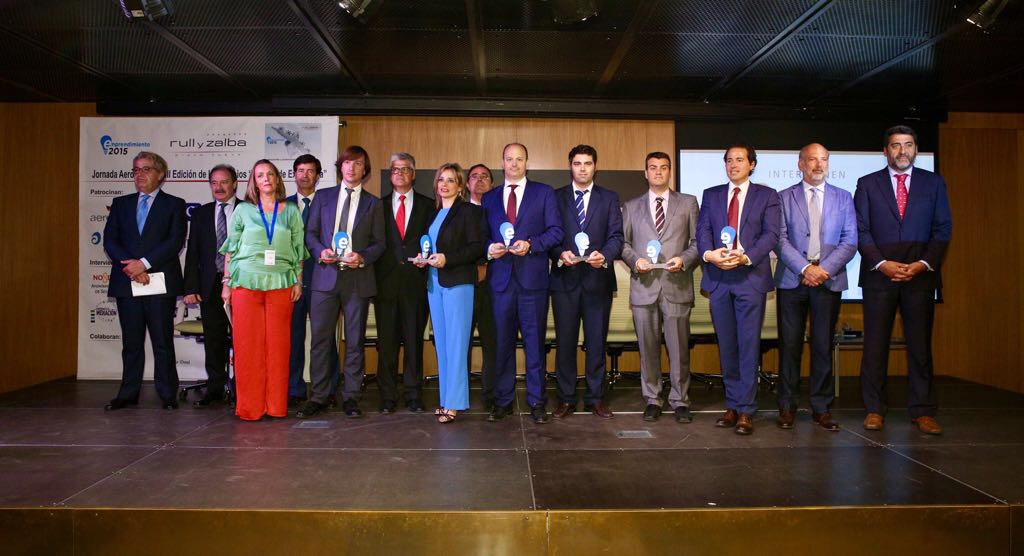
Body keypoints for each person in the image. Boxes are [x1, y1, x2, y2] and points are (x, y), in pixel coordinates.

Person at [856, 125, 952, 435]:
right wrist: (882, 263)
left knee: (920, 347)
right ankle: (874, 409)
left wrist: (923, 264)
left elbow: (942, 230)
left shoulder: (934, 184)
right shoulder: (867, 184)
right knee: (874, 346)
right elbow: (861, 230)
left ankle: (923, 411)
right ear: (886, 151)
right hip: (878, 277)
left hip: (919, 277)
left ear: (916, 149)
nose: (902, 151)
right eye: (896, 145)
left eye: (908, 145)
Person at [697, 144, 781, 435]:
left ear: (752, 164)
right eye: (729, 161)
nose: (733, 165)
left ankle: (746, 410)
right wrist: (709, 254)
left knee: (748, 346)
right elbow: (702, 231)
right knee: (728, 345)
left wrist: (745, 257)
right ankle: (732, 404)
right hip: (718, 279)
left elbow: (771, 234)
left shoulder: (767, 196)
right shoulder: (711, 194)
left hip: (749, 278)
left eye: (739, 160)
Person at [297, 146, 385, 419]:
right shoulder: (322, 198)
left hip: (357, 279)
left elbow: (380, 243)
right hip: (324, 278)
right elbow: (309, 234)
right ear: (340, 167)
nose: (351, 168)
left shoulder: (374, 203)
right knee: (321, 340)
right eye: (347, 163)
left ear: (364, 170)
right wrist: (319, 250)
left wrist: (363, 257)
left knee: (355, 341)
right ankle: (320, 396)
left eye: (358, 164)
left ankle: (351, 397)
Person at [774, 144, 857, 431]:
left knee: (822, 344)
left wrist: (823, 270)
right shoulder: (783, 198)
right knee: (790, 345)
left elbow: (850, 241)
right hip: (792, 279)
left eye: (823, 160)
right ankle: (787, 406)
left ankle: (821, 407)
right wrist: (805, 268)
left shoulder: (844, 198)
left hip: (828, 279)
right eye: (812, 160)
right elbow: (780, 239)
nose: (818, 165)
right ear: (800, 164)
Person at [482, 143, 563, 424]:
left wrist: (531, 244)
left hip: (533, 282)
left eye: (519, 159)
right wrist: (488, 248)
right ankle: (503, 401)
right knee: (502, 345)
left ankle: (537, 402)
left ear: (527, 162)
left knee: (534, 345)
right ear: (502, 162)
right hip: (501, 282)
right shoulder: (489, 198)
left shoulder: (544, 193)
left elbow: (556, 232)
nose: (514, 164)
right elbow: (481, 236)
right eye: (509, 159)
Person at [220, 160, 306, 421]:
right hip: (245, 283)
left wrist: (298, 281)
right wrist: (226, 283)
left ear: (278, 179)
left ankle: (276, 406)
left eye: (270, 174)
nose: (266, 178)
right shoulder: (243, 211)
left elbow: (298, 250)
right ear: (254, 182)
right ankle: (250, 408)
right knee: (247, 346)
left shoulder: (291, 211)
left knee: (279, 347)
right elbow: (231, 249)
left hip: (281, 283)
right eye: (260, 175)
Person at [103, 151, 186, 411]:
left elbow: (174, 242)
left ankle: (167, 394)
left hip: (158, 281)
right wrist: (133, 268)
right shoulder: (121, 204)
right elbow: (110, 241)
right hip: (128, 281)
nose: (140, 174)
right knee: (132, 342)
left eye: (146, 169)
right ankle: (128, 394)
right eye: (136, 169)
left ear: (161, 175)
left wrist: (144, 264)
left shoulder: (174, 204)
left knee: (162, 341)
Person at [621, 152, 699, 423]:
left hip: (676, 285)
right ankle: (652, 399)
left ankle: (680, 400)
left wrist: (684, 259)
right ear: (645, 173)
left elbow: (697, 242)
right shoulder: (631, 207)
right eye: (652, 168)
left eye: (663, 168)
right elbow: (623, 245)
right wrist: (635, 260)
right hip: (644, 286)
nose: (658, 172)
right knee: (648, 347)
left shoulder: (688, 203)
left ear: (670, 172)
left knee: (679, 348)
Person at [549, 145, 623, 419]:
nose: (582, 168)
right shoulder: (555, 197)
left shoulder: (609, 198)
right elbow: (550, 235)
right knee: (565, 343)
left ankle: (595, 398)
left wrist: (604, 254)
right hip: (564, 280)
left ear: (595, 166)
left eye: (588, 163)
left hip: (597, 280)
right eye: (577, 163)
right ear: (570, 165)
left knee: (596, 343)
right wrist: (559, 253)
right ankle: (566, 398)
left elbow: (617, 236)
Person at [416, 163, 483, 423]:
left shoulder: (468, 212)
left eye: (451, 180)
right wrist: (424, 260)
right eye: (441, 180)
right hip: (435, 284)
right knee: (442, 344)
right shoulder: (434, 214)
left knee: (456, 344)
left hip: (458, 285)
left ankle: (454, 403)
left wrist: (448, 259)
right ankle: (445, 399)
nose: (444, 184)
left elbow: (476, 248)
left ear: (460, 186)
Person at [375, 153, 432, 414]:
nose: (400, 173)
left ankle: (413, 394)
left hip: (415, 283)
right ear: (390, 174)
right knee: (386, 343)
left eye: (405, 169)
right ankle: (387, 395)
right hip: (385, 284)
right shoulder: (377, 206)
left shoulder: (429, 206)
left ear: (414, 174)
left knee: (413, 341)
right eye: (395, 169)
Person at [183, 164, 241, 408]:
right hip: (210, 286)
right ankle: (215, 389)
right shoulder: (202, 214)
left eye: (224, 182)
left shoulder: (247, 210)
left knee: (243, 340)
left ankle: (242, 390)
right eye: (214, 183)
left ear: (235, 184)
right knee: (214, 339)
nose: (219, 187)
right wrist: (190, 287)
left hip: (241, 284)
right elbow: (193, 253)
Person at [285, 154, 338, 407]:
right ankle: (294, 388)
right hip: (291, 281)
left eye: (310, 171)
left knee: (324, 337)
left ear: (319, 176)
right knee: (292, 336)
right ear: (293, 174)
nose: (305, 175)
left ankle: (329, 387)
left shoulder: (331, 203)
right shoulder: (282, 206)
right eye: (300, 170)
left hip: (324, 279)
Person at [466, 163, 498, 409]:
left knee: (492, 342)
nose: (479, 180)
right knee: (461, 343)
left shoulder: (498, 211)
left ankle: (490, 395)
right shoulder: (459, 211)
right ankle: (460, 394)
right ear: (466, 184)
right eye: (474, 177)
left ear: (492, 184)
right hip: (464, 286)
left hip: (493, 287)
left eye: (485, 177)